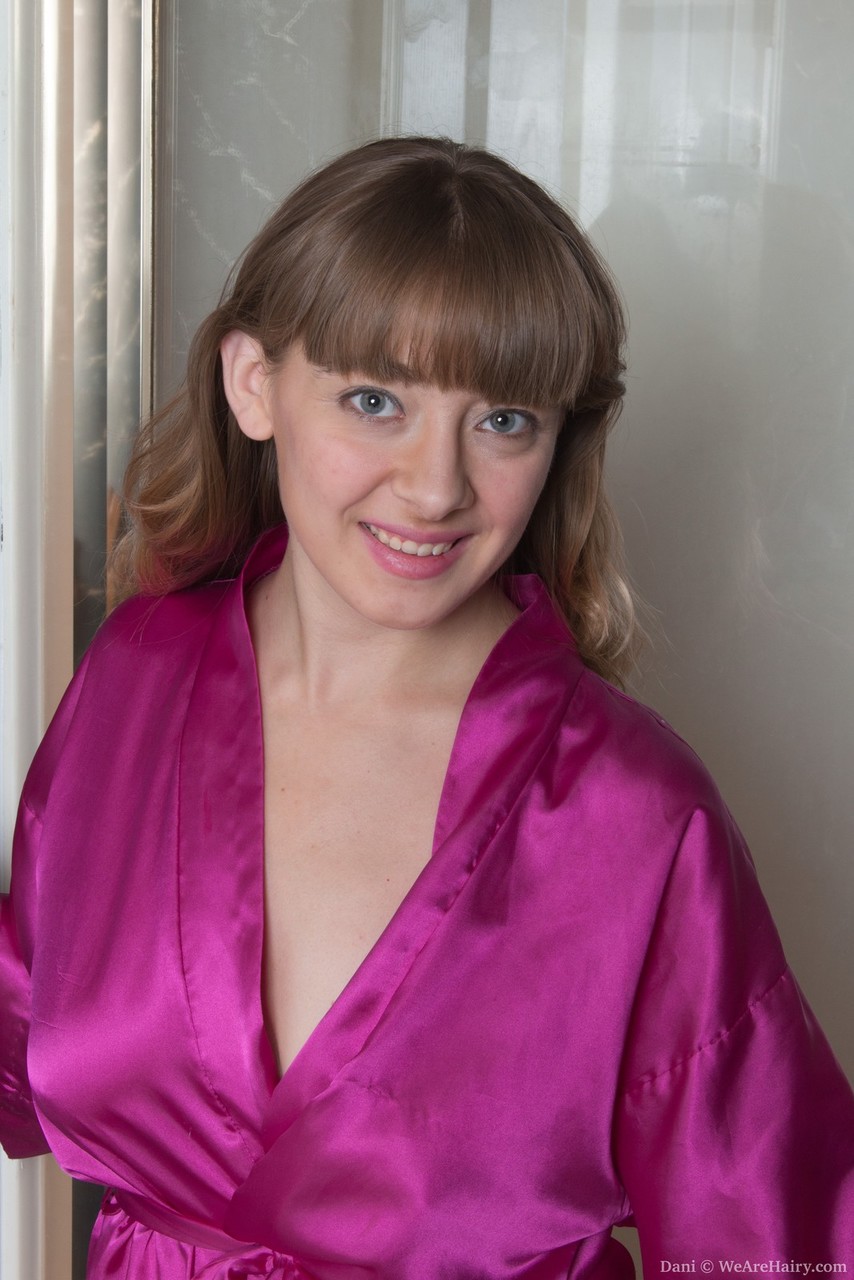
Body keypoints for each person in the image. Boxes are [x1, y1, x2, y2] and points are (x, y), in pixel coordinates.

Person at [1, 136, 852, 1279]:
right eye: (374, 400)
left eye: (502, 421)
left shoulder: (635, 815)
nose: (436, 486)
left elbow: (778, 1235)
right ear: (254, 384)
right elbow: (22, 1021)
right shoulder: (135, 676)